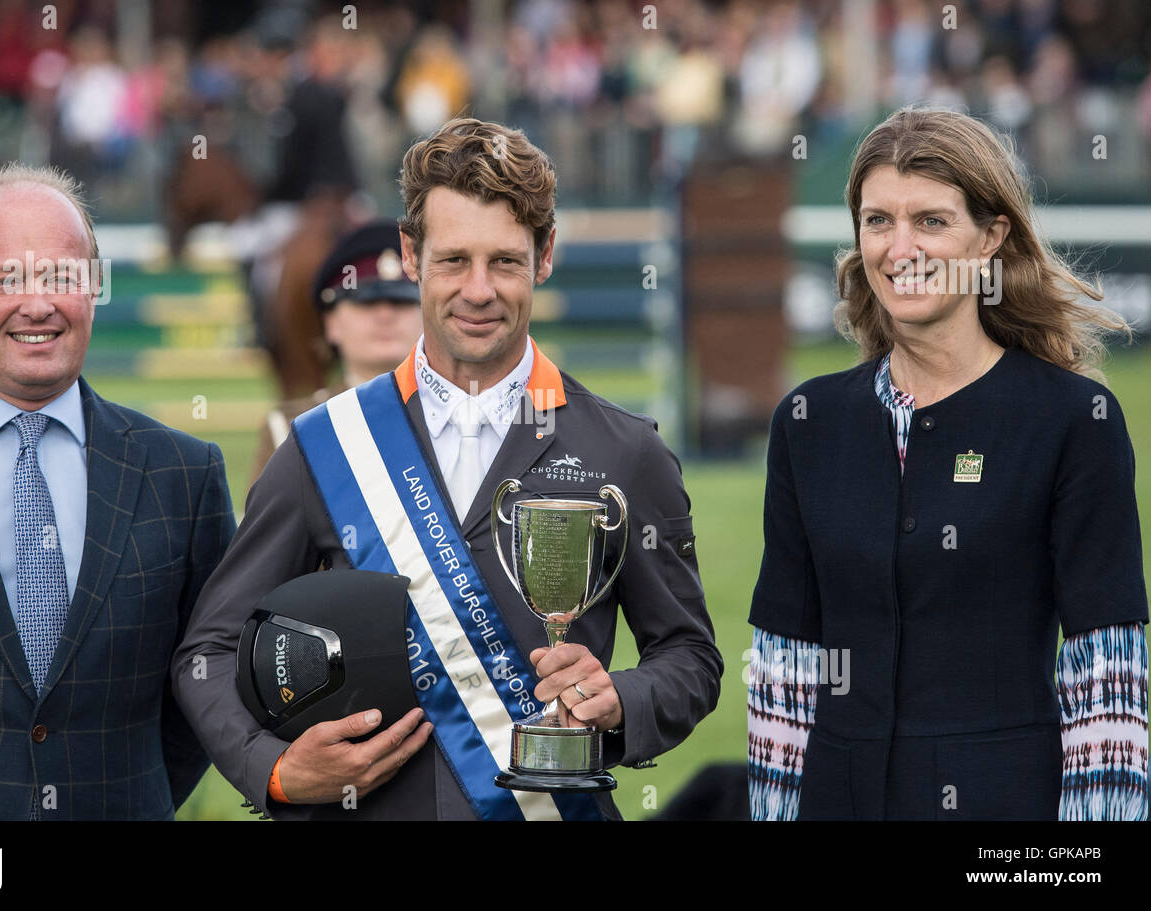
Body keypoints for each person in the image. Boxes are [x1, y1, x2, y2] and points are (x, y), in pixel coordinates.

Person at [173, 117, 721, 821]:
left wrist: (622, 700)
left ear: (545, 255)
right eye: (454, 260)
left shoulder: (627, 449)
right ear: (410, 253)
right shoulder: (323, 444)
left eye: (505, 261)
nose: (479, 290)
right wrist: (274, 768)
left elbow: (689, 656)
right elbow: (210, 648)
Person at [747, 108, 1149, 821]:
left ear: (991, 237)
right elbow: (786, 672)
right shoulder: (808, 422)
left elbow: (1105, 684)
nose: (900, 248)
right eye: (878, 221)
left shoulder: (1072, 420)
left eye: (930, 221)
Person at [0, 163, 236, 819]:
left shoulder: (183, 474)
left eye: (61, 276)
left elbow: (203, 686)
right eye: (7, 279)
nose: (38, 303)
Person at [248, 218, 423, 485]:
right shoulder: (290, 430)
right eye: (367, 302)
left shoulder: (460, 418)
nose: (385, 315)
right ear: (331, 323)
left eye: (401, 301)